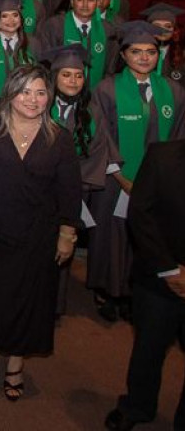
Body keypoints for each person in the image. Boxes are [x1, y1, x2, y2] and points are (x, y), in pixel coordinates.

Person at [0, 64, 82, 401]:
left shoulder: (60, 138)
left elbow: (70, 191)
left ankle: (14, 362)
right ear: (11, 94)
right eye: (25, 91)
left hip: (38, 236)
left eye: (41, 92)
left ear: (49, 97)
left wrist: (67, 233)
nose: (33, 99)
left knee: (28, 302)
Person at [88, 21, 185, 322]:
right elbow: (99, 135)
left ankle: (133, 290)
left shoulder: (173, 90)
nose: (144, 57)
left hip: (160, 183)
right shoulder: (106, 89)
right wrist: (121, 176)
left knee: (147, 235)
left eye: (151, 52)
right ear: (125, 55)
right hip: (117, 178)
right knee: (111, 234)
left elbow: (179, 134)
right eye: (137, 51)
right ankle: (106, 290)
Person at [104, 139, 185, 430]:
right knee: (148, 348)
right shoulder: (162, 156)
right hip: (159, 278)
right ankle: (137, 406)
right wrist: (170, 270)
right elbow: (140, 212)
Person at [41, 44, 122, 316]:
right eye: (66, 75)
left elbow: (99, 152)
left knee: (62, 249)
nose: (73, 80)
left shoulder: (93, 111)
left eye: (78, 75)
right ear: (54, 77)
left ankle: (54, 307)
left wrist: (73, 187)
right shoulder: (39, 105)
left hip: (74, 191)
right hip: (37, 190)